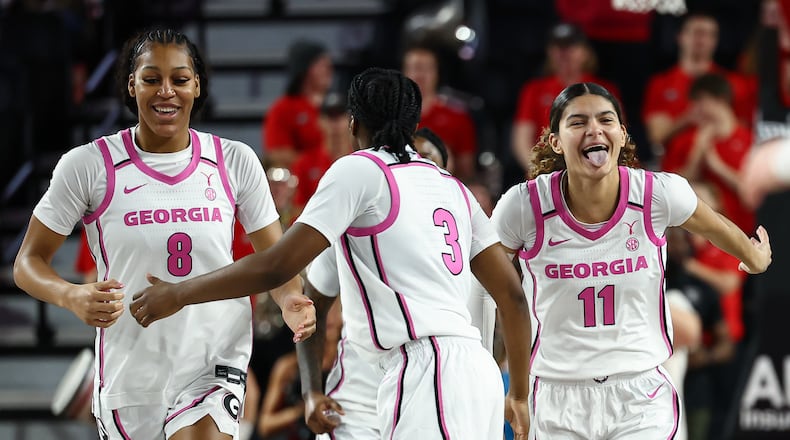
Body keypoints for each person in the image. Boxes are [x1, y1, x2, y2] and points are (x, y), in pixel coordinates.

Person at [129, 67, 533, 439]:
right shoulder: (453, 187)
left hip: (426, 370)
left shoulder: (358, 171)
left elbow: (276, 265)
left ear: (354, 122)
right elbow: (513, 297)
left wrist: (179, 293)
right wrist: (516, 392)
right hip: (472, 374)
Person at [13, 28, 315, 440]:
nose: (166, 91)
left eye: (180, 79)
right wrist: (72, 295)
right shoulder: (88, 165)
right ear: (131, 86)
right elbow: (27, 263)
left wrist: (290, 299)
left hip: (213, 358)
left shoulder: (234, 161)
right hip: (131, 371)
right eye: (152, 79)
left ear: (197, 85)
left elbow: (277, 265)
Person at [491, 82, 771, 438]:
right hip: (556, 392)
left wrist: (754, 256)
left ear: (622, 135)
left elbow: (715, 227)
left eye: (605, 119)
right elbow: (483, 279)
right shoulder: (523, 206)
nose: (594, 129)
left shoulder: (657, 193)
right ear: (555, 141)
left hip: (639, 393)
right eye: (578, 122)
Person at [295, 131, 498, 440]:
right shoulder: (361, 218)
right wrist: (310, 390)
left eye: (428, 160)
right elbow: (312, 305)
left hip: (432, 387)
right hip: (357, 404)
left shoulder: (466, 238)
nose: (413, 164)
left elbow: (510, 302)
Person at [512, 23, 621, 174]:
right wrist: (539, 170)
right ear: (549, 52)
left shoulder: (603, 89)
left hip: (593, 168)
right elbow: (521, 140)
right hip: (546, 171)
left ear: (585, 52)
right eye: (558, 48)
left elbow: (616, 134)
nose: (564, 54)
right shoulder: (535, 89)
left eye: (571, 47)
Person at [642, 11, 756, 151]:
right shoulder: (661, 83)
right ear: (680, 37)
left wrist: (717, 116)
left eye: (709, 34)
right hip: (676, 163)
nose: (701, 40)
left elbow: (744, 133)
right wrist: (688, 118)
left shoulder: (735, 84)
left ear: (716, 41)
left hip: (723, 160)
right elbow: (657, 136)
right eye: (696, 32)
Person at [660, 73, 754, 234]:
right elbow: (670, 191)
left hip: (744, 232)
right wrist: (697, 154)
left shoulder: (749, 140)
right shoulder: (685, 141)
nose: (696, 109)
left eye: (702, 101)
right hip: (701, 237)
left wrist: (716, 165)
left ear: (721, 100)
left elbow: (751, 190)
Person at [402, 44, 478, 180]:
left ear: (437, 73)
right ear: (404, 73)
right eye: (415, 68)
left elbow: (467, 171)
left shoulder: (457, 117)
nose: (420, 75)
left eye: (426, 69)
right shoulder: (389, 116)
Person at [263, 39, 333, 169]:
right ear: (304, 68)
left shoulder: (337, 107)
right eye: (322, 65)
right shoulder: (283, 109)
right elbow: (277, 156)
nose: (329, 70)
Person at [290, 91, 354, 219]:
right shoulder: (304, 163)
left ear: (350, 120)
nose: (335, 123)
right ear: (320, 121)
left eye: (340, 115)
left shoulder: (360, 160)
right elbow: (297, 210)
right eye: (330, 116)